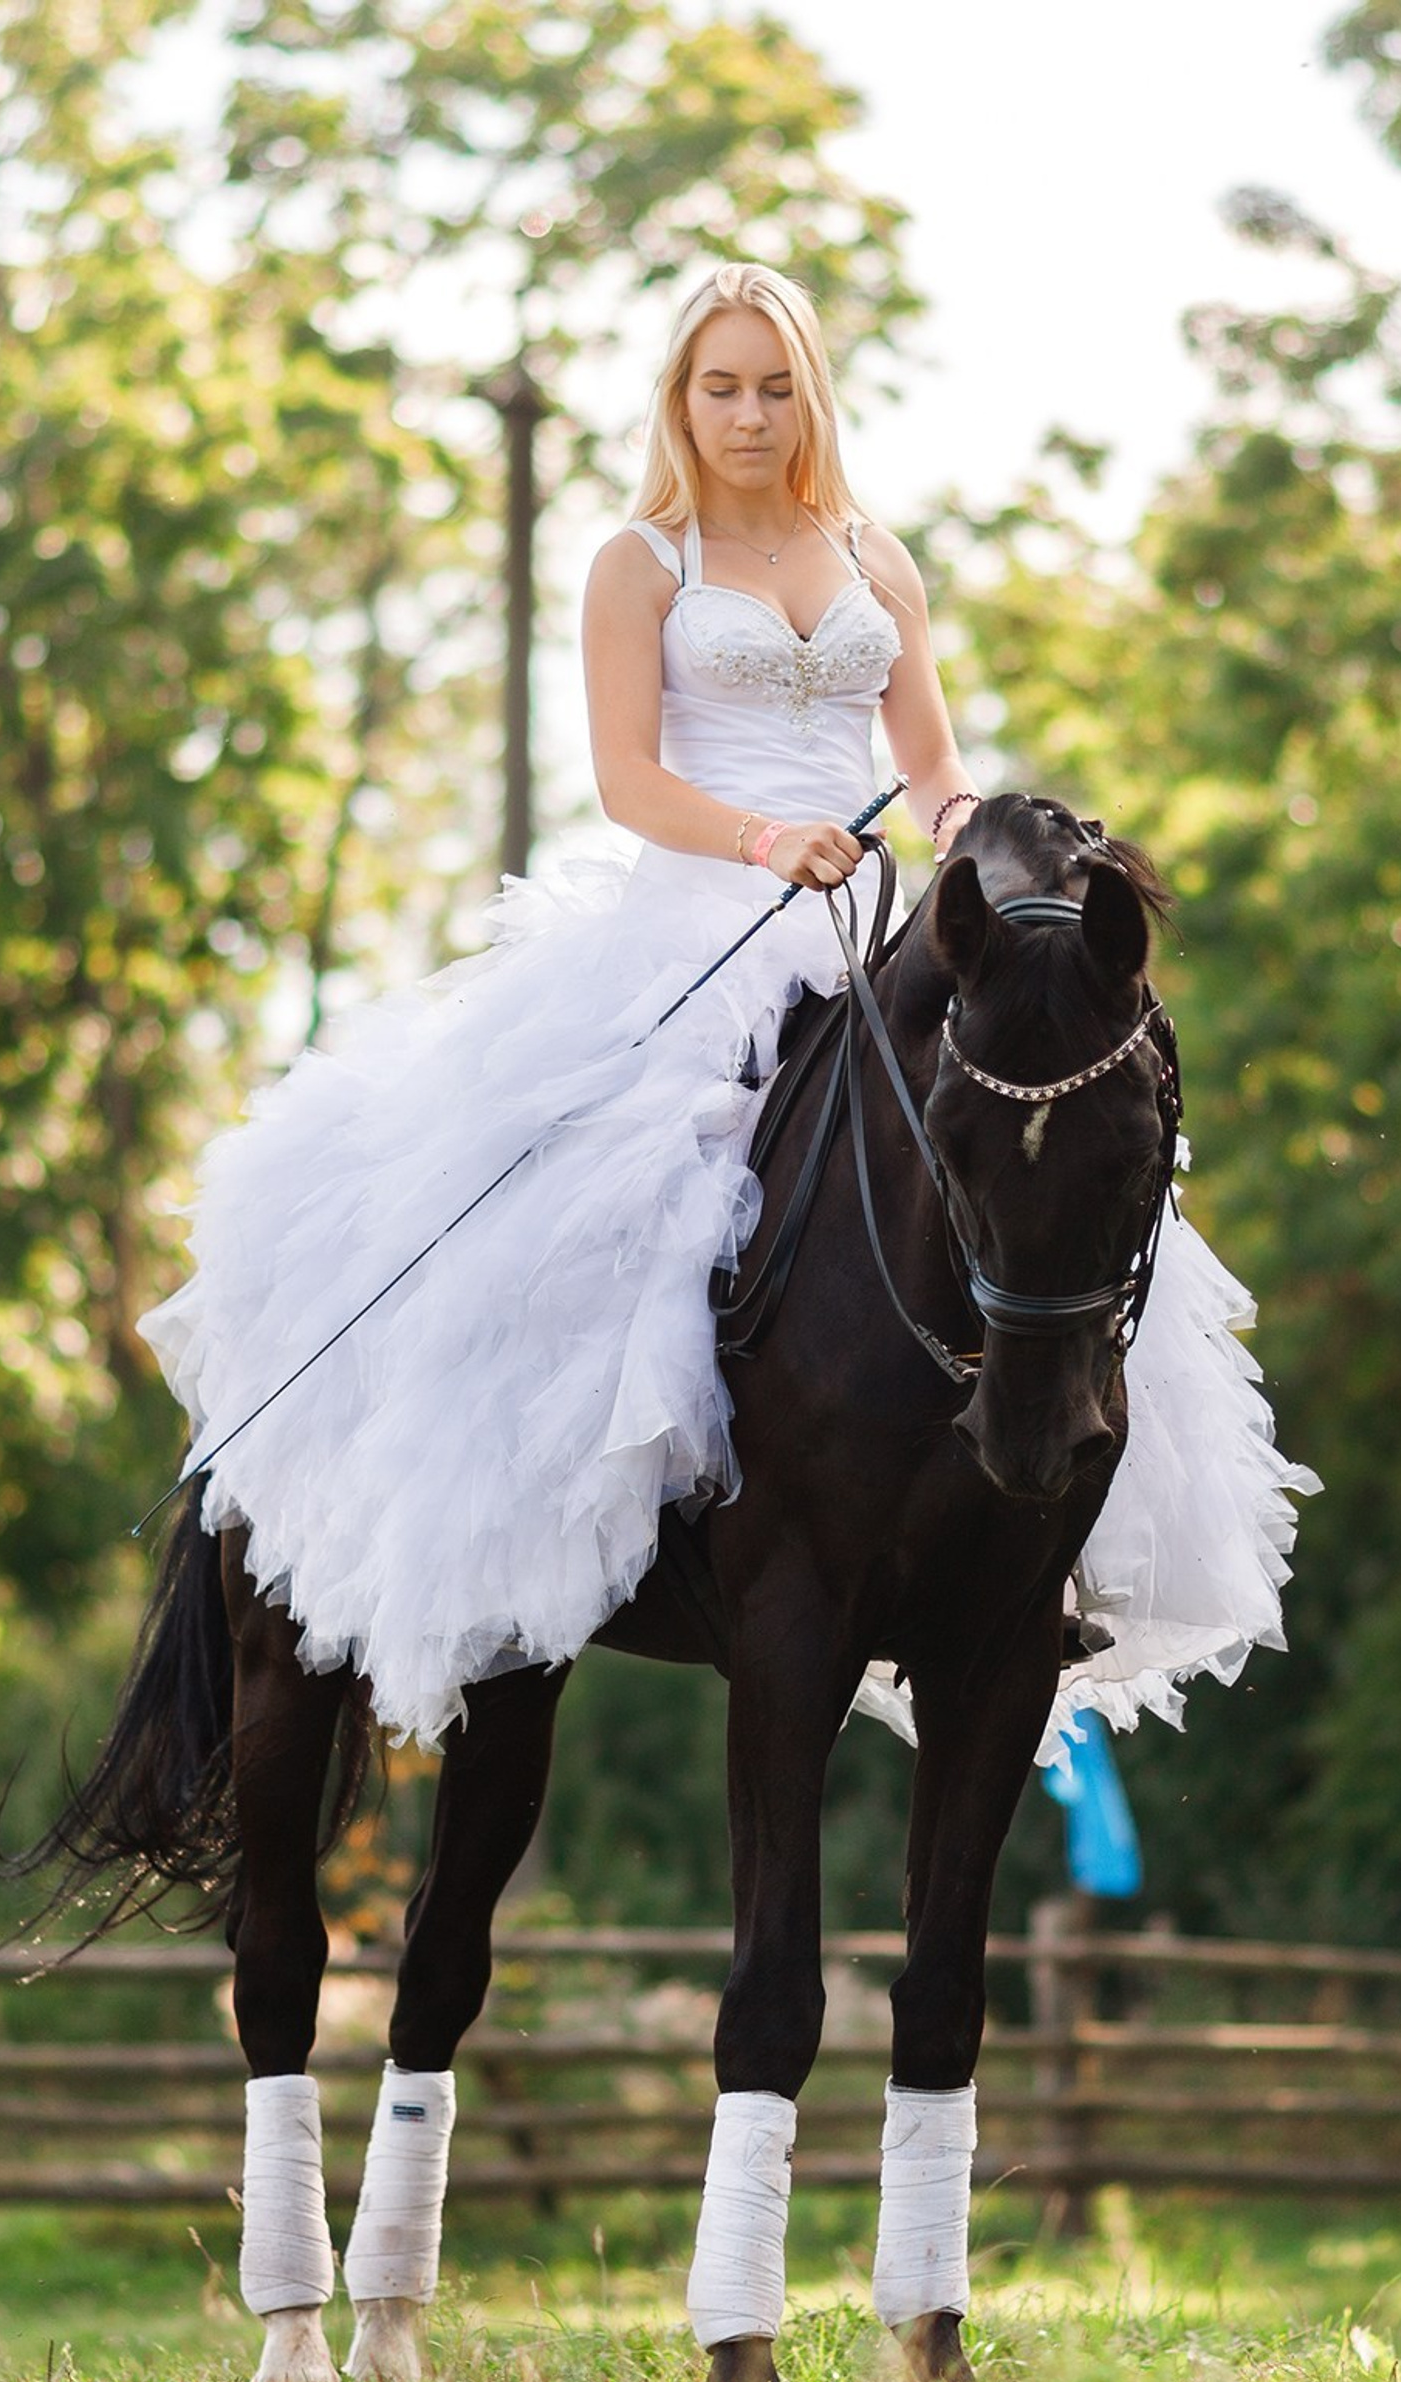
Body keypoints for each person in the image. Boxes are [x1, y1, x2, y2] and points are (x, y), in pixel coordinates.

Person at [141, 262, 1314, 1764]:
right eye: (720, 386)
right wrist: (769, 842)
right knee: (614, 1202)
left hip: (876, 927)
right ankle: (596, 1509)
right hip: (701, 916)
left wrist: (994, 841)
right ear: (680, 400)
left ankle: (1040, 1537)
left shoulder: (877, 558)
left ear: (808, 392)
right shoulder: (642, 564)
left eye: (772, 385)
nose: (748, 414)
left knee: (1032, 1163)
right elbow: (628, 779)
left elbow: (935, 763)